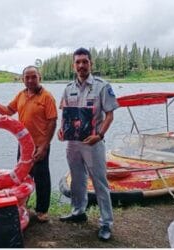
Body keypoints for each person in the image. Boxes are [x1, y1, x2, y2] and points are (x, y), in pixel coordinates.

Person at [58, 48, 118, 241]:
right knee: (77, 180)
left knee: (100, 183)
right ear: (73, 65)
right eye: (78, 62)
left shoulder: (102, 86)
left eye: (85, 61)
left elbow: (110, 114)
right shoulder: (68, 88)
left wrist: (99, 135)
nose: (81, 65)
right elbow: (65, 112)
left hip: (93, 142)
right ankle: (78, 211)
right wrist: (61, 129)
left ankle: (106, 223)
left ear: (90, 63)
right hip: (73, 143)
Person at [0, 66, 57, 222]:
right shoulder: (21, 95)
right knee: (22, 176)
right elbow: (7, 111)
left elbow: (52, 121)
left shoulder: (47, 97)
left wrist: (45, 146)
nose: (30, 80)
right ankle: (23, 205)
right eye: (27, 77)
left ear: (40, 77)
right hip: (24, 145)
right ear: (22, 79)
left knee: (42, 178)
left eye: (34, 77)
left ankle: (42, 211)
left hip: (40, 145)